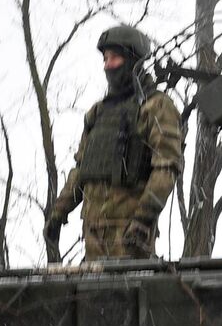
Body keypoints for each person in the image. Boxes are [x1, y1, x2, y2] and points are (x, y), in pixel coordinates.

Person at [45, 24, 183, 260]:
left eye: (115, 58)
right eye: (105, 58)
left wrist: (143, 218)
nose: (107, 65)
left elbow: (167, 167)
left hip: (130, 233)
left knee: (126, 294)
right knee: (92, 293)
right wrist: (59, 211)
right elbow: (82, 170)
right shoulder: (97, 112)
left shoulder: (156, 106)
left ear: (134, 61)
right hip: (93, 232)